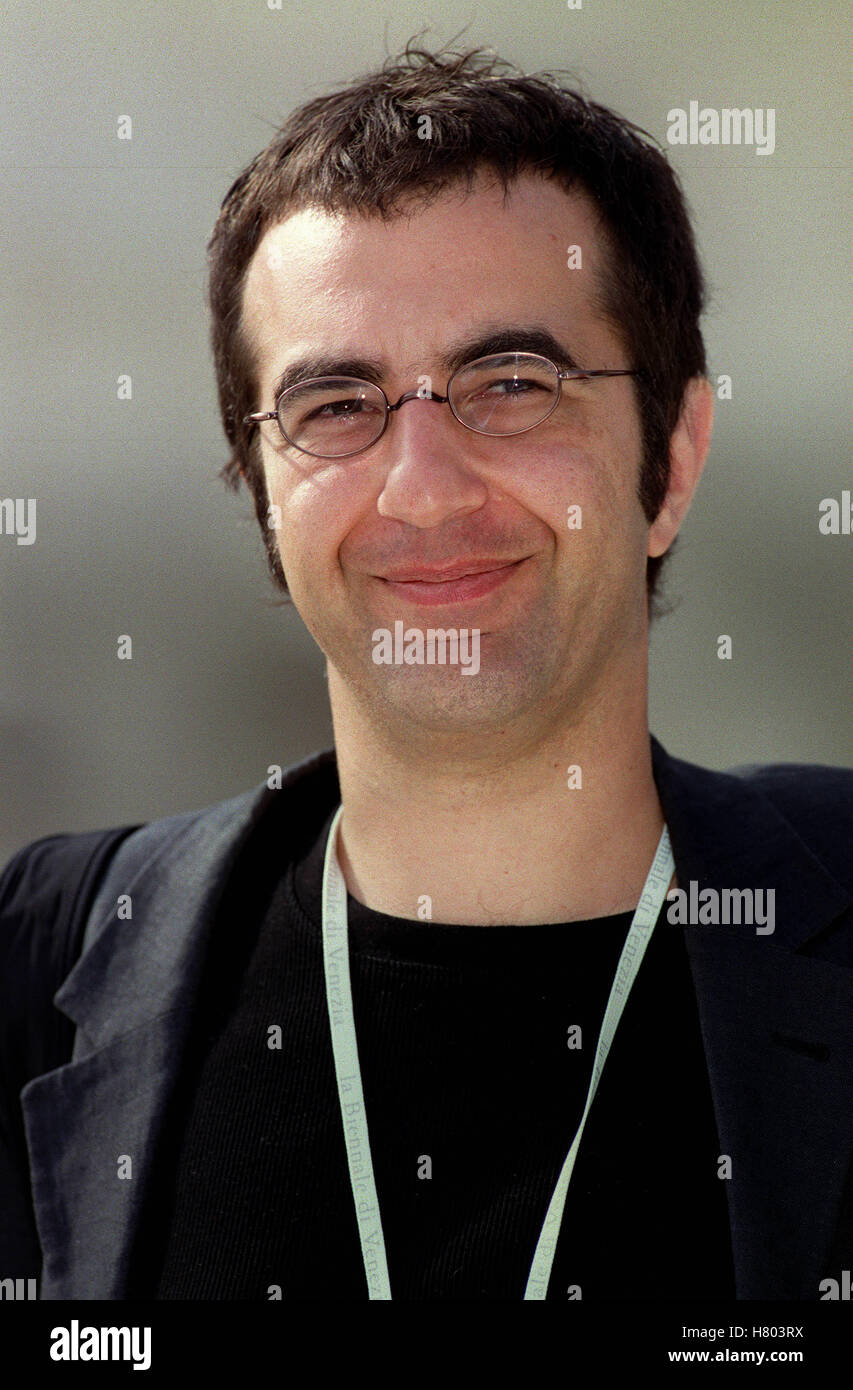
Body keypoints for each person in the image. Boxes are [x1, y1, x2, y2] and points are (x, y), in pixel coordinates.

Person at [1, 44, 851, 1303]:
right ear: (262, 493)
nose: (422, 487)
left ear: (670, 460)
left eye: (510, 383)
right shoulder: (46, 964)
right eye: (336, 405)